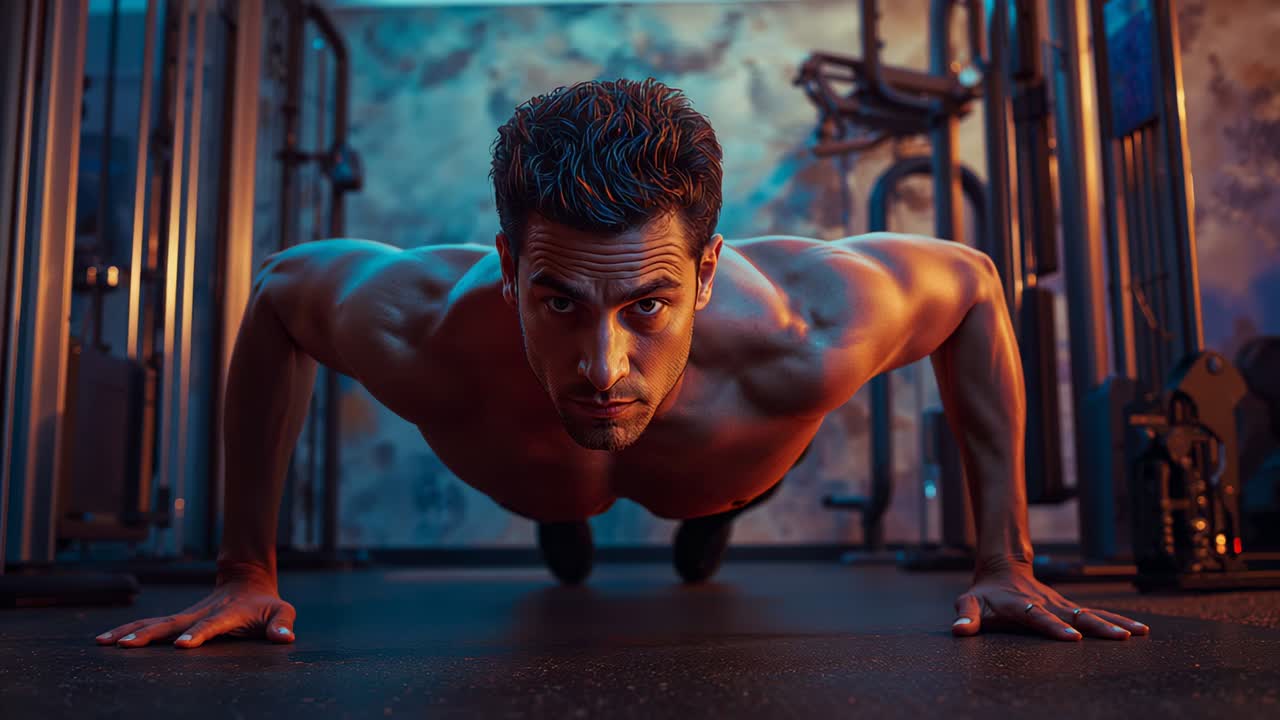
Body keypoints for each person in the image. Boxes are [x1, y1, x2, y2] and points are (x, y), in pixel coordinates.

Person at [96, 78, 1148, 650]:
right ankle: (566, 506)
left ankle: (707, 519)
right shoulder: (418, 324)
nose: (601, 360)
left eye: (646, 304)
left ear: (705, 269)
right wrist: (245, 570)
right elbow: (281, 289)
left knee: (688, 483)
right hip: (529, 454)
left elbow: (968, 279)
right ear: (508, 265)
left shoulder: (808, 324)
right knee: (572, 449)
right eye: (557, 301)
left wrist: (1000, 557)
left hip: (724, 459)